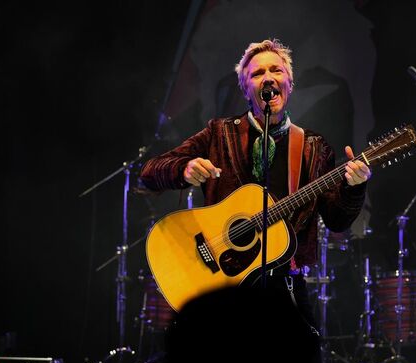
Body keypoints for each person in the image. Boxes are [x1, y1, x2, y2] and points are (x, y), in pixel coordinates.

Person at [140, 38, 370, 324]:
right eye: (258, 73)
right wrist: (183, 168)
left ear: (290, 84)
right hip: (224, 288)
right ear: (245, 88)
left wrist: (354, 187)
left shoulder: (314, 147)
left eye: (276, 70)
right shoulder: (219, 133)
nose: (268, 78)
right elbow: (149, 172)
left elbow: (337, 220)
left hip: (285, 287)